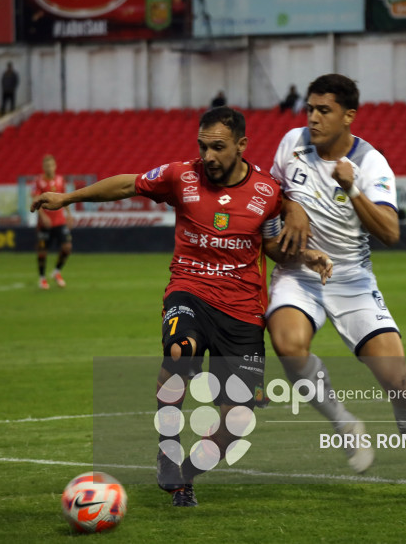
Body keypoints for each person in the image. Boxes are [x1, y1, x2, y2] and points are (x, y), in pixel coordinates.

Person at [31, 107, 332, 507]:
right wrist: (68, 197)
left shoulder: (266, 192)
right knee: (179, 351)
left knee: (236, 423)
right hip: (189, 289)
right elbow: (129, 186)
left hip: (242, 310)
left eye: (218, 147)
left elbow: (274, 246)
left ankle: (185, 476)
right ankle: (168, 447)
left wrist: (307, 257)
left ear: (241, 146)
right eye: (203, 146)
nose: (208, 156)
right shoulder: (180, 176)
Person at [267, 74, 406, 506]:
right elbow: (269, 194)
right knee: (288, 345)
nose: (314, 118)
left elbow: (391, 232)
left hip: (353, 281)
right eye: (311, 109)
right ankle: (343, 422)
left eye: (325, 111)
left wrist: (351, 188)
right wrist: (292, 207)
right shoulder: (291, 143)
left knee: (400, 382)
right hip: (299, 273)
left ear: (348, 116)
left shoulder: (372, 164)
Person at [32, 155, 73, 290]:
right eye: (47, 166)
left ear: (55, 166)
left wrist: (69, 214)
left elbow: (64, 198)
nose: (50, 168)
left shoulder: (61, 180)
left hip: (59, 221)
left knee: (67, 247)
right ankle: (42, 278)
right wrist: (43, 216)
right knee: (42, 250)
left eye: (52, 165)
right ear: (44, 167)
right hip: (45, 223)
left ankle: (56, 272)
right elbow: (36, 199)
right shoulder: (38, 181)